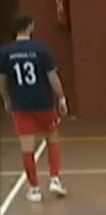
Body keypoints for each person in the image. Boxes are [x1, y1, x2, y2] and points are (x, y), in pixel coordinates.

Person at [0, 13, 68, 203]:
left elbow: (2, 81)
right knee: (52, 139)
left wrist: (6, 99)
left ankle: (35, 189)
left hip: (21, 105)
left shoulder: (5, 53)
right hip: (43, 103)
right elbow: (52, 77)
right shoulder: (42, 49)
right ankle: (55, 179)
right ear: (30, 27)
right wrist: (61, 97)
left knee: (27, 147)